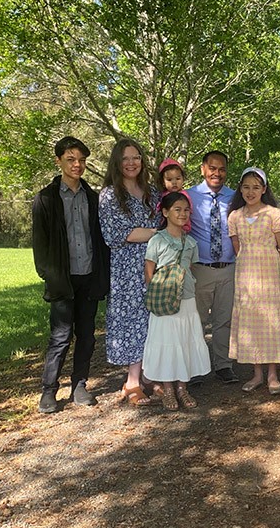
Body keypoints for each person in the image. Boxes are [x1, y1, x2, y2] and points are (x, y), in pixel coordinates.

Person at [32, 136, 109, 414]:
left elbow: (100, 239)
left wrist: (101, 274)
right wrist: (48, 275)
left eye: (82, 160)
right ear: (59, 161)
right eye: (71, 159)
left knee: (86, 335)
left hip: (89, 276)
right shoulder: (46, 198)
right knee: (60, 336)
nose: (77, 165)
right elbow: (40, 242)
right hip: (62, 279)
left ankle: (79, 385)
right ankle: (49, 390)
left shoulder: (93, 198)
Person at [99, 138, 162, 407]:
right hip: (127, 269)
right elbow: (116, 234)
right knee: (133, 320)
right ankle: (132, 381)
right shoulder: (109, 195)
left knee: (153, 319)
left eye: (136, 157)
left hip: (156, 263)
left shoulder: (152, 192)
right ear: (117, 162)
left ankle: (149, 375)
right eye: (125, 158)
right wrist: (157, 233)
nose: (131, 163)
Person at [142, 192, 211, 410]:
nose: (182, 214)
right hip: (164, 301)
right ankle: (168, 389)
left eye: (186, 210)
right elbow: (149, 271)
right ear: (165, 212)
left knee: (184, 341)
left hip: (187, 298)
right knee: (167, 342)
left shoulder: (190, 242)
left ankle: (182, 387)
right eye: (177, 209)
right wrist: (160, 294)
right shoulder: (157, 240)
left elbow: (190, 268)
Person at [227, 167, 280, 395]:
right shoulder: (235, 216)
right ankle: (256, 374)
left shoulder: (274, 214)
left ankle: (272, 374)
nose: (250, 192)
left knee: (271, 321)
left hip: (270, 274)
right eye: (246, 187)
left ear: (264, 189)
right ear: (240, 189)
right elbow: (237, 247)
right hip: (246, 276)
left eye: (255, 187)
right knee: (251, 322)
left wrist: (275, 271)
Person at [187, 151, 239, 384]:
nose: (217, 173)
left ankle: (223, 365)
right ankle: (195, 368)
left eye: (222, 169)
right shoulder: (189, 196)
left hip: (228, 268)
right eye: (212, 168)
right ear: (203, 169)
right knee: (196, 320)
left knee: (224, 319)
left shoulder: (235, 197)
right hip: (200, 268)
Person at [157, 157, 192, 232]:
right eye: (169, 180)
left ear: (183, 179)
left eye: (178, 179)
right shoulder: (162, 195)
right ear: (163, 182)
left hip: (182, 228)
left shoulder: (184, 195)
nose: (174, 182)